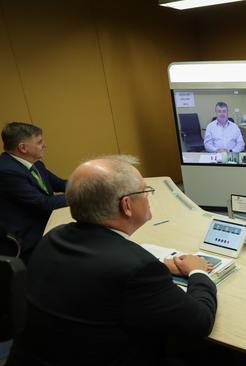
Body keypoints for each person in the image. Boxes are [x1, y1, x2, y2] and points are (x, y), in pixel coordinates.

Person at [9, 156, 217, 366]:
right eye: (145, 191)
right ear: (127, 205)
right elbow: (200, 322)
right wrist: (197, 272)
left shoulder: (52, 238)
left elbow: (98, 276)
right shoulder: (138, 269)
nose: (148, 196)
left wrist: (162, 266)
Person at [0, 122, 67, 260]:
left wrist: (89, 185)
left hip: (46, 220)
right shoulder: (6, 171)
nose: (45, 145)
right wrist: (82, 196)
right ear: (23, 148)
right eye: (39, 142)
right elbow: (42, 203)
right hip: (29, 237)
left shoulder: (35, 163)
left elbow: (60, 184)